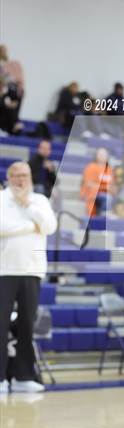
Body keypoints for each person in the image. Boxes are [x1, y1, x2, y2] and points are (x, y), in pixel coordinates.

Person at [0, 162, 57, 393]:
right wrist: (31, 226)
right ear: (8, 177)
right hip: (4, 271)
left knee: (26, 325)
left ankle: (23, 376)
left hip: (32, 271)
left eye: (24, 175)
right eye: (15, 175)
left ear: (30, 177)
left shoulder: (39, 200)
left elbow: (49, 226)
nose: (20, 179)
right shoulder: (2, 199)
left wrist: (28, 206)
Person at [80, 148, 114, 216]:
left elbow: (112, 185)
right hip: (92, 193)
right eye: (100, 154)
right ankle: (102, 217)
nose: (102, 156)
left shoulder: (110, 169)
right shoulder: (91, 167)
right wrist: (105, 187)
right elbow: (89, 184)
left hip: (107, 193)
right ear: (96, 156)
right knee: (107, 198)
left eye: (104, 155)